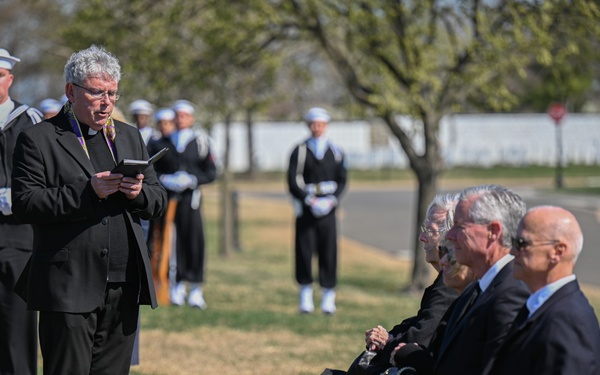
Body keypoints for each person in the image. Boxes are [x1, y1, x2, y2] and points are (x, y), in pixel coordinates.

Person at [11, 45, 167, 374]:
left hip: (124, 285)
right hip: (69, 285)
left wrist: (137, 194)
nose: (106, 101)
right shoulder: (39, 139)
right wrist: (87, 192)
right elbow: (26, 204)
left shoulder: (130, 136)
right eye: (97, 92)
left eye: (112, 93)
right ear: (71, 91)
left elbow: (157, 199)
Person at [392, 184, 530, 375]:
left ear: (493, 232)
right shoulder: (478, 289)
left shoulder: (510, 295)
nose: (449, 235)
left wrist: (411, 356)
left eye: (460, 226)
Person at [336, 193, 461, 375]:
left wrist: (387, 340)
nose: (422, 237)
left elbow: (421, 335)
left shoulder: (450, 284)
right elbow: (419, 320)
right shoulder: (446, 281)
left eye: (430, 230)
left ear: (450, 238)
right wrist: (390, 335)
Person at [483, 206, 600, 375]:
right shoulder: (543, 307)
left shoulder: (568, 321)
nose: (512, 251)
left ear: (557, 251)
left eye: (521, 243)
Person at [0, 47, 43, 375]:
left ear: (10, 79)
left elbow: (45, 173)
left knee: (17, 325)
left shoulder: (29, 120)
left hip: (18, 236)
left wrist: (16, 196)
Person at [287, 107, 347, 314]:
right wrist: (309, 199)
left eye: (321, 124)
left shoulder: (335, 151)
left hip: (328, 211)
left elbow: (342, 179)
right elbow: (293, 180)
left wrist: (332, 200)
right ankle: (305, 297)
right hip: (307, 210)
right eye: (314, 124)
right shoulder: (301, 150)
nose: (317, 128)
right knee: (304, 251)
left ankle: (328, 297)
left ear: (326, 126)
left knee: (328, 252)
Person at [158, 99, 216, 308]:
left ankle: (196, 288)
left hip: (192, 201)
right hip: (170, 202)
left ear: (191, 118)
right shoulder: (162, 143)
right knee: (174, 244)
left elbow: (210, 172)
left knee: (194, 242)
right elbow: (152, 170)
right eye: (178, 116)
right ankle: (176, 286)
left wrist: (192, 179)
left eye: (185, 116)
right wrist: (165, 180)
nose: (181, 119)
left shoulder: (200, 142)